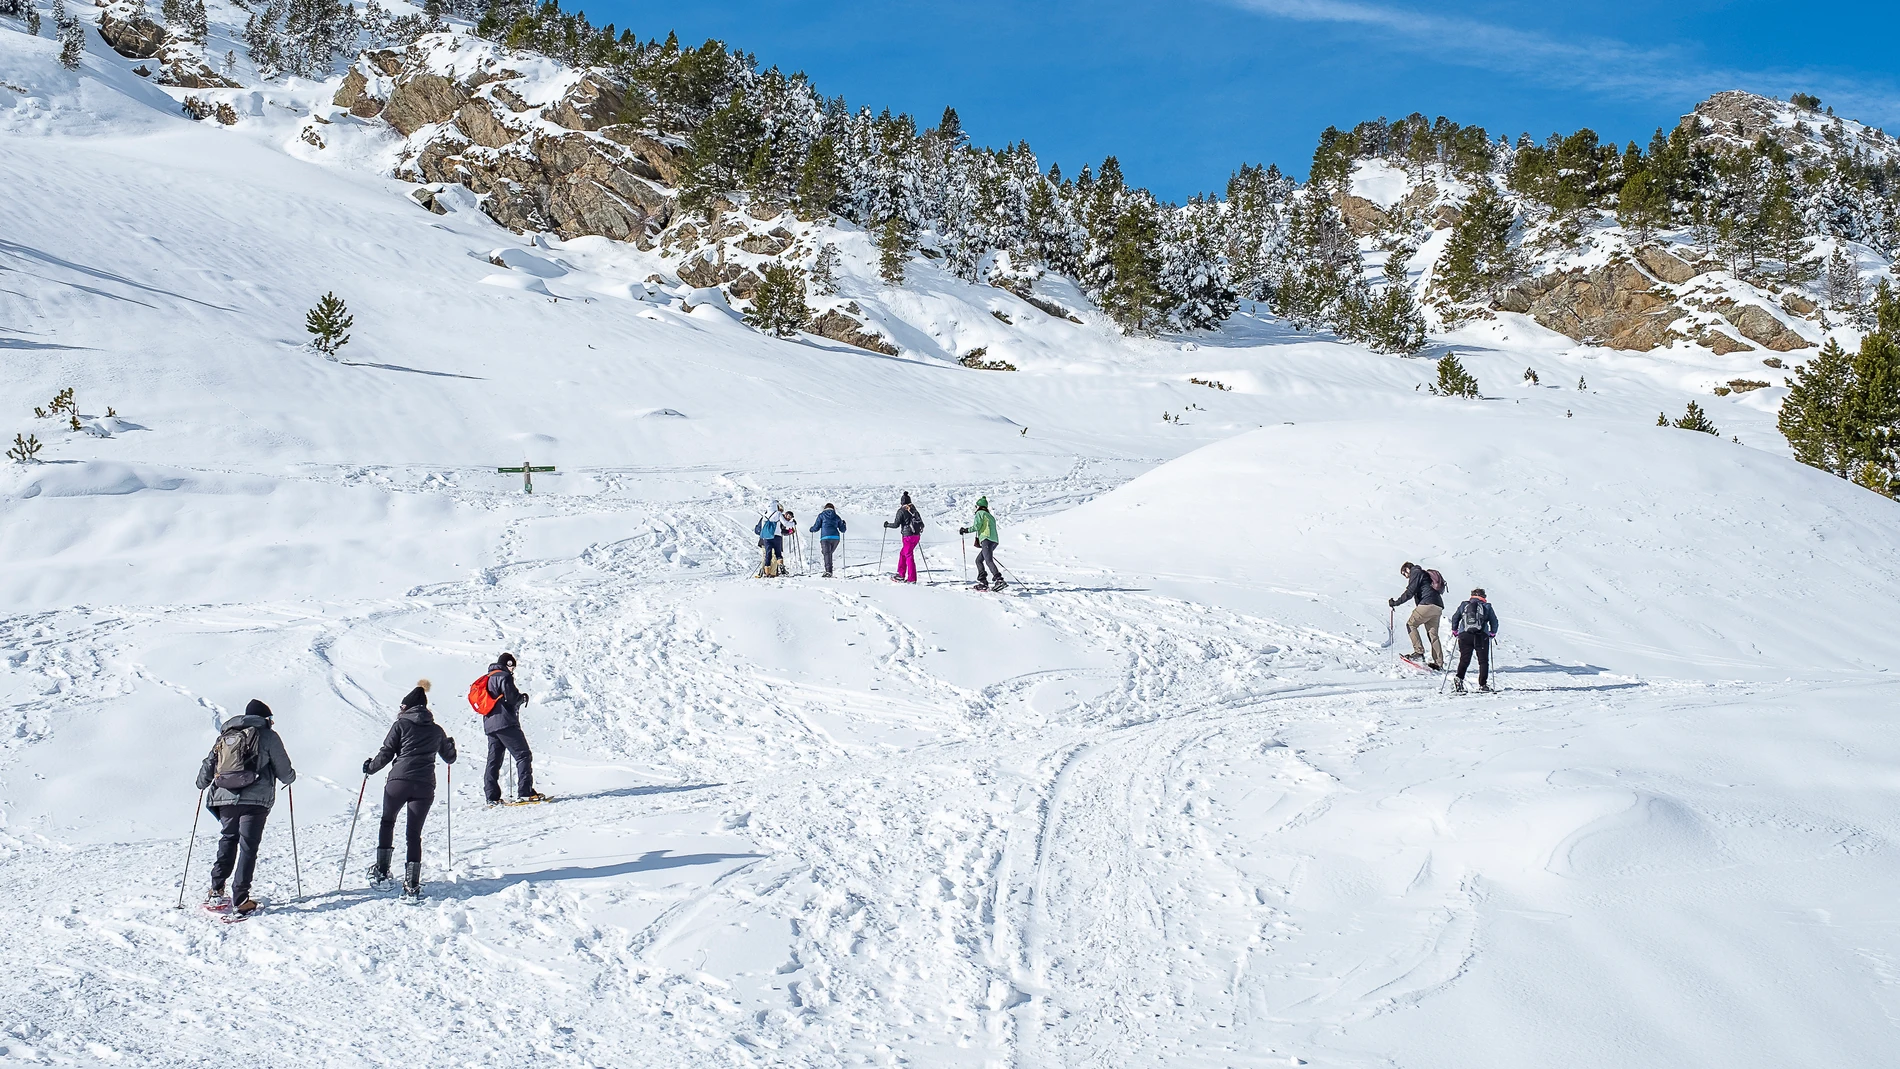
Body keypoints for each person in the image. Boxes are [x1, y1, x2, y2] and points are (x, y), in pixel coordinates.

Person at [194, 699, 297, 915]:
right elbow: (284, 770)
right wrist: (291, 778)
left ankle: (216, 891)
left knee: (228, 839)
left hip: (224, 798)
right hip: (254, 801)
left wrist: (202, 784)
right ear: (266, 719)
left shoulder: (226, 735)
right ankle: (241, 901)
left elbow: (208, 764)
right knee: (248, 847)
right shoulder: (268, 735)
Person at [362, 681, 457, 896]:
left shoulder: (401, 725)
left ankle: (382, 872)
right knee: (414, 834)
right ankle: (412, 885)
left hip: (399, 782)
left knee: (388, 821)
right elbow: (449, 758)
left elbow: (387, 752)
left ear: (407, 707)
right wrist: (449, 744)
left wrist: (370, 768)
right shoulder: (436, 730)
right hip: (424, 786)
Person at [481, 653, 544, 806]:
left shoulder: (488, 678)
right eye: (513, 667)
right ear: (508, 664)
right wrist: (522, 698)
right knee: (523, 755)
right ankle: (525, 792)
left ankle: (492, 796)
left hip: (490, 724)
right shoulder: (504, 676)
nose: (513, 670)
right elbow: (511, 698)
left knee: (494, 760)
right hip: (506, 723)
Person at [1388, 561, 1445, 669]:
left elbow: (1409, 592)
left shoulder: (1416, 572)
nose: (1405, 577)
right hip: (1437, 606)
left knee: (1411, 624)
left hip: (1427, 604)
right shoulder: (1423, 574)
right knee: (1433, 635)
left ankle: (1419, 652)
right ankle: (1438, 663)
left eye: (1404, 574)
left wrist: (1396, 603)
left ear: (1407, 569)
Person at [1449, 588, 1500, 694]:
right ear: (1483, 597)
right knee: (1483, 661)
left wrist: (1455, 630)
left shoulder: (1464, 605)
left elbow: (1455, 618)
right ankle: (1482, 685)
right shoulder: (1487, 606)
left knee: (1464, 659)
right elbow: (1494, 621)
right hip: (1481, 636)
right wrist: (1492, 633)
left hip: (1465, 635)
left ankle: (1459, 680)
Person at [958, 496, 1006, 591]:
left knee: (988, 560)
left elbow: (977, 526)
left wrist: (965, 530)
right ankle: (983, 581)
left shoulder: (980, 513)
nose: (975, 508)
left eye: (976, 506)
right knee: (978, 560)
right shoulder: (990, 516)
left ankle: (999, 579)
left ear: (979, 506)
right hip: (994, 540)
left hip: (986, 539)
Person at [883, 492, 924, 583]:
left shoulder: (901, 511)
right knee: (903, 553)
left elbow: (896, 524)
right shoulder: (914, 510)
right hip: (916, 536)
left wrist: (887, 525)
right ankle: (901, 574)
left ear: (902, 502)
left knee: (908, 555)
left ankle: (911, 578)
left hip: (907, 536)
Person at [810, 503, 847, 577]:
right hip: (836, 538)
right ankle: (829, 569)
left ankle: (828, 571)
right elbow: (842, 530)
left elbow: (816, 527)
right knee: (828, 553)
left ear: (825, 508)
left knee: (827, 553)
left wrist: (811, 529)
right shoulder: (837, 517)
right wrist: (844, 524)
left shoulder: (821, 515)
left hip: (825, 537)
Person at [754, 504, 785, 577]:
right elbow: (782, 531)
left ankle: (764, 571)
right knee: (773, 556)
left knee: (766, 556)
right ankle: (772, 573)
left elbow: (757, 530)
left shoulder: (764, 517)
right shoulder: (778, 518)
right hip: (773, 540)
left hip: (763, 541)